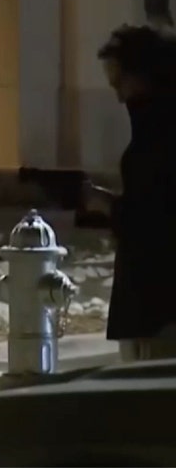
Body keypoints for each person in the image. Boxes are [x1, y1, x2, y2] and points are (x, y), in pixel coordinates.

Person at [89, 23, 176, 362]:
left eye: (120, 82)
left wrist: (108, 207)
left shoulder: (159, 137)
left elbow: (154, 221)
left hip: (157, 308)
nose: (119, 95)